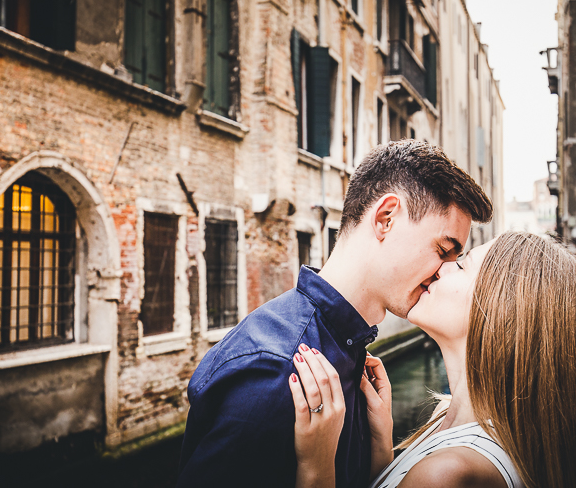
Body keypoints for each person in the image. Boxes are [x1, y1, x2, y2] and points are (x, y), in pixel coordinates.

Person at [176, 141, 493, 487]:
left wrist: (378, 457)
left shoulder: (350, 355)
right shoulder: (278, 371)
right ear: (386, 218)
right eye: (443, 250)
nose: (444, 272)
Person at [290, 231, 576, 488]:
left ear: (502, 311)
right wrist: (383, 445)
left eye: (462, 265)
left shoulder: (447, 474)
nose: (441, 267)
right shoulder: (447, 416)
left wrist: (316, 466)